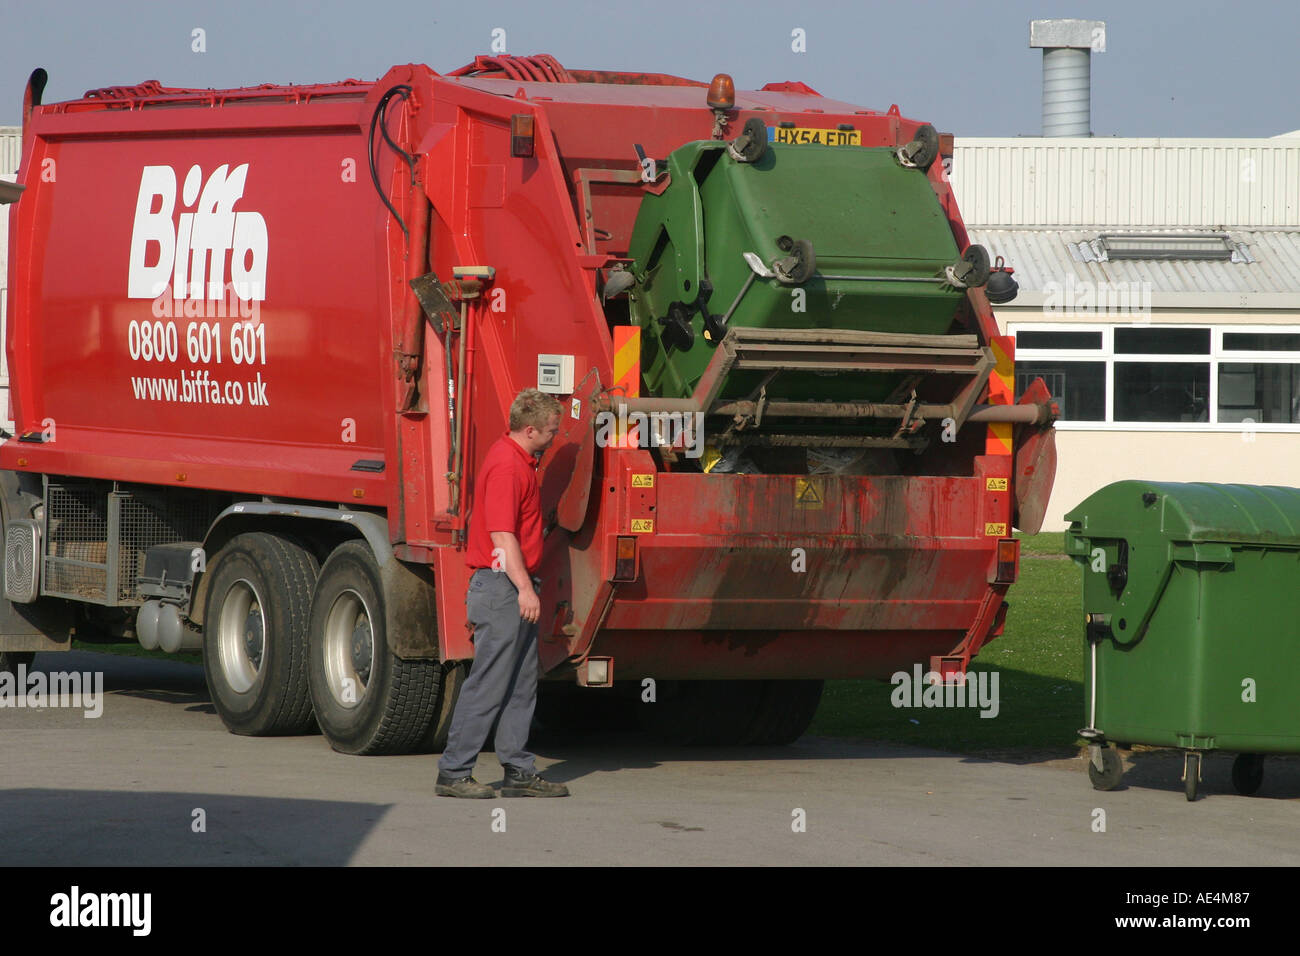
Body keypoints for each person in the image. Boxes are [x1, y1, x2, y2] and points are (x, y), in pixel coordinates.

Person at [436, 388, 569, 798]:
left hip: (507, 585)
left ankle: (517, 770)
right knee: (491, 682)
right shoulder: (509, 468)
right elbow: (501, 535)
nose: (554, 437)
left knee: (519, 683)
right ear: (530, 430)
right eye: (550, 431)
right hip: (502, 587)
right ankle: (454, 773)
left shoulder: (519, 460)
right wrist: (525, 589)